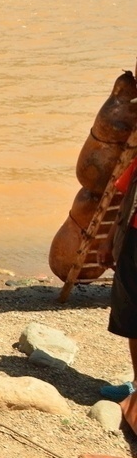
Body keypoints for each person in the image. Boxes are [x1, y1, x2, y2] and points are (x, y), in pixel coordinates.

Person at [101, 153, 137, 402]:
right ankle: (136, 383)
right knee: (131, 312)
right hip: (132, 241)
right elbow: (126, 199)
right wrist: (109, 239)